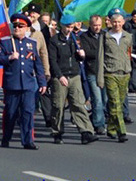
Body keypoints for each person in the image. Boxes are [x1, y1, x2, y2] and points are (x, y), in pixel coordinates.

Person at [0, 14, 47, 150]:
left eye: (20, 26)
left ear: (26, 28)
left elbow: (38, 64)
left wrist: (42, 82)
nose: (17, 28)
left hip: (28, 84)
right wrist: (9, 57)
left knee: (28, 112)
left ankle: (27, 140)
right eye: (15, 26)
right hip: (12, 84)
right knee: (11, 113)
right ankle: (6, 136)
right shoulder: (5, 41)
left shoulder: (32, 43)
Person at [48, 14, 98, 145]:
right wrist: (59, 76)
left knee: (78, 104)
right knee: (58, 105)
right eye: (66, 27)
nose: (69, 29)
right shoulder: (54, 41)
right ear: (61, 26)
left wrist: (81, 55)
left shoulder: (75, 40)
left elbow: (78, 58)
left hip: (74, 75)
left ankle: (86, 132)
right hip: (61, 76)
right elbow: (52, 61)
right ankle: (57, 132)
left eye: (71, 26)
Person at [98, 8, 132, 142]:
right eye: (114, 22)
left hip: (124, 73)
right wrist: (100, 78)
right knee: (115, 102)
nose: (117, 24)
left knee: (119, 102)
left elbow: (128, 54)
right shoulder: (104, 36)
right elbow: (100, 57)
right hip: (110, 73)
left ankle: (111, 128)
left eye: (119, 22)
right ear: (110, 23)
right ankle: (121, 131)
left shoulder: (128, 37)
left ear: (123, 22)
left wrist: (129, 70)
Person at [79, 15, 107, 135]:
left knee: (105, 99)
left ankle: (94, 117)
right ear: (90, 25)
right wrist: (100, 52)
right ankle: (99, 124)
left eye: (99, 25)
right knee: (97, 99)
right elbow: (87, 52)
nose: (97, 27)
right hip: (92, 71)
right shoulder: (84, 37)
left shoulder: (105, 35)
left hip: (104, 71)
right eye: (95, 25)